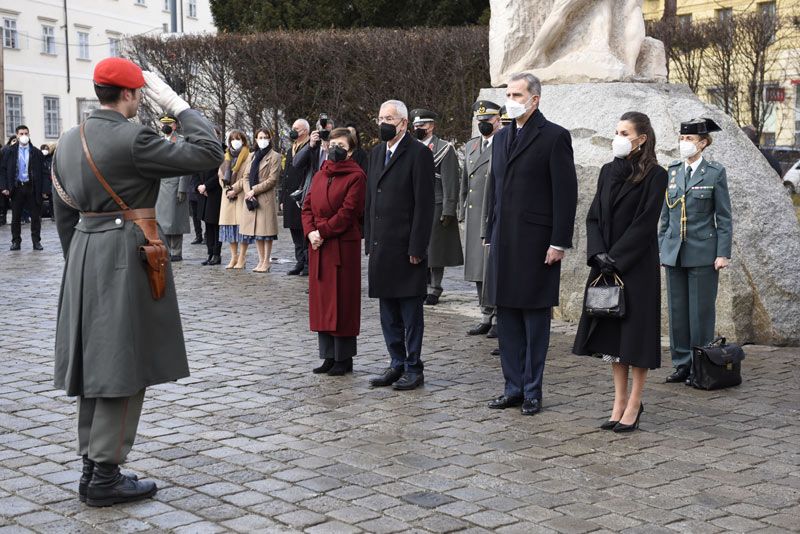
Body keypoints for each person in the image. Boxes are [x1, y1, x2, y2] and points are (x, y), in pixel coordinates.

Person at [51, 57, 223, 506]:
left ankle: (93, 467)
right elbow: (209, 152)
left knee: (94, 364)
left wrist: (81, 265)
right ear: (131, 94)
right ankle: (106, 477)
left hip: (85, 254)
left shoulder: (69, 140)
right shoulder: (135, 137)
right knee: (122, 365)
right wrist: (179, 105)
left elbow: (64, 212)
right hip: (125, 253)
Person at [485, 73, 578, 416]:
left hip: (538, 244)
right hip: (504, 242)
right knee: (507, 318)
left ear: (534, 99)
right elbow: (495, 191)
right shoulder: (501, 138)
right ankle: (512, 386)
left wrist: (558, 242)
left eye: (517, 94)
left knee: (534, 321)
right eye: (508, 93)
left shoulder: (554, 137)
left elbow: (565, 196)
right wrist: (489, 233)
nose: (511, 99)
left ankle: (532, 390)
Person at [572, 112, 667, 433]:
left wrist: (618, 257)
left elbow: (645, 223)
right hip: (605, 265)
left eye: (624, 132)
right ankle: (618, 402)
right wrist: (598, 253)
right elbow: (594, 215)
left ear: (641, 138)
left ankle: (635, 403)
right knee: (614, 340)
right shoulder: (608, 170)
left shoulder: (657, 175)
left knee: (636, 339)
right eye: (616, 131)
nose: (618, 137)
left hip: (635, 266)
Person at [365, 100, 435, 391]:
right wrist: (369, 240)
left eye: (389, 118)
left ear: (404, 123)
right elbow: (372, 199)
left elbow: (424, 204)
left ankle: (413, 367)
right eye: (380, 117)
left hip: (406, 248)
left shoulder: (418, 154)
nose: (384, 122)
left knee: (410, 313)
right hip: (382, 246)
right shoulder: (376, 152)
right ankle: (396, 362)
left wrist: (417, 247)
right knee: (388, 311)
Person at [660, 118, 732, 385]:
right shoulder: (674, 170)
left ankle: (701, 364)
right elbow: (666, 214)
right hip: (674, 252)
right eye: (682, 138)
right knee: (677, 312)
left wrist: (722, 253)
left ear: (703, 143)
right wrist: (661, 249)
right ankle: (681, 364)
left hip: (703, 251)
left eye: (689, 139)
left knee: (700, 313)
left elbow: (724, 217)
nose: (684, 143)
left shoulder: (714, 172)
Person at [301, 128, 367, 375]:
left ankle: (343, 358)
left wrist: (322, 232)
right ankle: (327, 355)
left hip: (341, 246)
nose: (336, 148)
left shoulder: (356, 176)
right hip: (319, 245)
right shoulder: (320, 174)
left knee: (342, 302)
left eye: (342, 144)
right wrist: (310, 233)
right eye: (333, 143)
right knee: (322, 302)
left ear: (350, 150)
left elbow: (349, 212)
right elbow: (307, 206)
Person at [410, 109, 464, 305]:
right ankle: (420, 285)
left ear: (431, 126)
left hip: (436, 202)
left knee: (435, 250)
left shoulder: (443, 148)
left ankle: (435, 287)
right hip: (414, 204)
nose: (418, 129)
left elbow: (451, 180)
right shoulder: (411, 146)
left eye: (422, 126)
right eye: (415, 126)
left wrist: (449, 208)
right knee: (418, 246)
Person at [460, 100, 501, 337]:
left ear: (497, 120)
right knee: (477, 266)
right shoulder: (471, 146)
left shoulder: (504, 143)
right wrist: (461, 209)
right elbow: (466, 181)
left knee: (491, 266)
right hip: (475, 212)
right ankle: (485, 314)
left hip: (492, 210)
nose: (483, 124)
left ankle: (498, 317)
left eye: (487, 121)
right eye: (480, 121)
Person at [233, 128, 281, 272]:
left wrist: (255, 190)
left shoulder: (275, 156)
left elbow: (273, 180)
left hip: (265, 198)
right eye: (260, 137)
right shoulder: (253, 156)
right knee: (257, 233)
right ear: (255, 139)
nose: (263, 140)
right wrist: (248, 192)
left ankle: (267, 261)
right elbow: (246, 176)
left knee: (266, 232)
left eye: (265, 137)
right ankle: (260, 261)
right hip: (251, 198)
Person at [1, 125, 46, 250]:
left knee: (35, 216)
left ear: (29, 134)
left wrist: (43, 190)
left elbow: (43, 172)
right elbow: (3, 170)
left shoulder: (36, 152)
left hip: (32, 187)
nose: (24, 136)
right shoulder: (9, 151)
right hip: (17, 188)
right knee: (16, 217)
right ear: (17, 135)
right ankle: (16, 241)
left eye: (26, 133)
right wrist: (4, 186)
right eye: (21, 133)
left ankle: (36, 241)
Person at [155, 115, 192, 262]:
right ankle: (165, 250)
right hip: (160, 186)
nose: (165, 126)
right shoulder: (157, 141)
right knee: (162, 222)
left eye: (168, 123)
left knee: (174, 221)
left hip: (175, 185)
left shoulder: (181, 141)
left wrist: (182, 188)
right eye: (163, 123)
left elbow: (186, 166)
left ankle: (176, 252)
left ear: (175, 125)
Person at [281, 119, 310, 275]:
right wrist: (282, 199)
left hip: (302, 194)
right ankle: (299, 261)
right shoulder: (291, 148)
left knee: (304, 230)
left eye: (296, 129)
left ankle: (307, 263)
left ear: (305, 131)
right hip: (290, 195)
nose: (293, 131)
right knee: (294, 231)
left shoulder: (309, 147)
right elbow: (285, 175)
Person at [218, 130, 251, 269]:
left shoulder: (248, 156)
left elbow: (246, 176)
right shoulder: (226, 156)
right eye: (232, 139)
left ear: (243, 140)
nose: (235, 141)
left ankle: (242, 257)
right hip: (227, 197)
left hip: (241, 194)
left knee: (242, 229)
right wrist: (226, 187)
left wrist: (235, 189)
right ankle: (234, 256)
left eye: (238, 139)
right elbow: (220, 174)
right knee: (230, 228)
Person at [0, 135, 17, 226]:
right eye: (14, 140)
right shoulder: (5, 150)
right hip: (5, 182)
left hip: (13, 182)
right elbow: (3, 169)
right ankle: (3, 218)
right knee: (3, 203)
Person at [40, 143, 55, 220]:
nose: (45, 150)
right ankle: (39, 215)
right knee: (40, 200)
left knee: (52, 199)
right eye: (43, 149)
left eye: (46, 149)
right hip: (43, 181)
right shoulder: (39, 158)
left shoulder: (51, 158)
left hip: (50, 181)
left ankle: (53, 215)